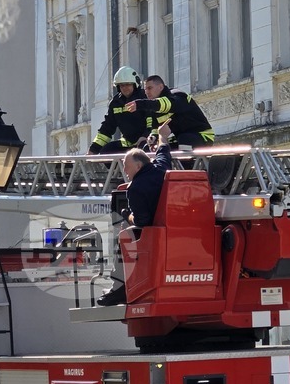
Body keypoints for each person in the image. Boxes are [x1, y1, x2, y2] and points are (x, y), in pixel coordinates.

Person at [97, 120, 173, 306]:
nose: (124, 170)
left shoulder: (136, 188)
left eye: (126, 165)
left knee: (123, 236)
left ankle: (120, 289)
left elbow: (142, 221)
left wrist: (126, 215)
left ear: (138, 166)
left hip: (152, 233)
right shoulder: (161, 169)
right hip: (169, 229)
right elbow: (163, 152)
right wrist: (162, 136)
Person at [124, 74, 215, 149]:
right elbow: (155, 128)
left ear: (160, 87)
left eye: (150, 88)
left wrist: (140, 104)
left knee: (184, 139)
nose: (146, 92)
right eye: (145, 89)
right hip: (179, 137)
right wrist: (153, 137)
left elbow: (164, 104)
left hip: (203, 136)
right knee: (152, 148)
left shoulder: (178, 95)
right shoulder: (154, 107)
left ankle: (187, 165)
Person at [87, 66, 152, 155]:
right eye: (122, 85)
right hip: (128, 144)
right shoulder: (115, 103)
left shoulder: (145, 97)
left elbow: (151, 121)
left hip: (147, 141)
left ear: (135, 84)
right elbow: (106, 129)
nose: (125, 88)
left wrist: (145, 136)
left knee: (145, 150)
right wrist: (93, 150)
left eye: (128, 84)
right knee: (106, 151)